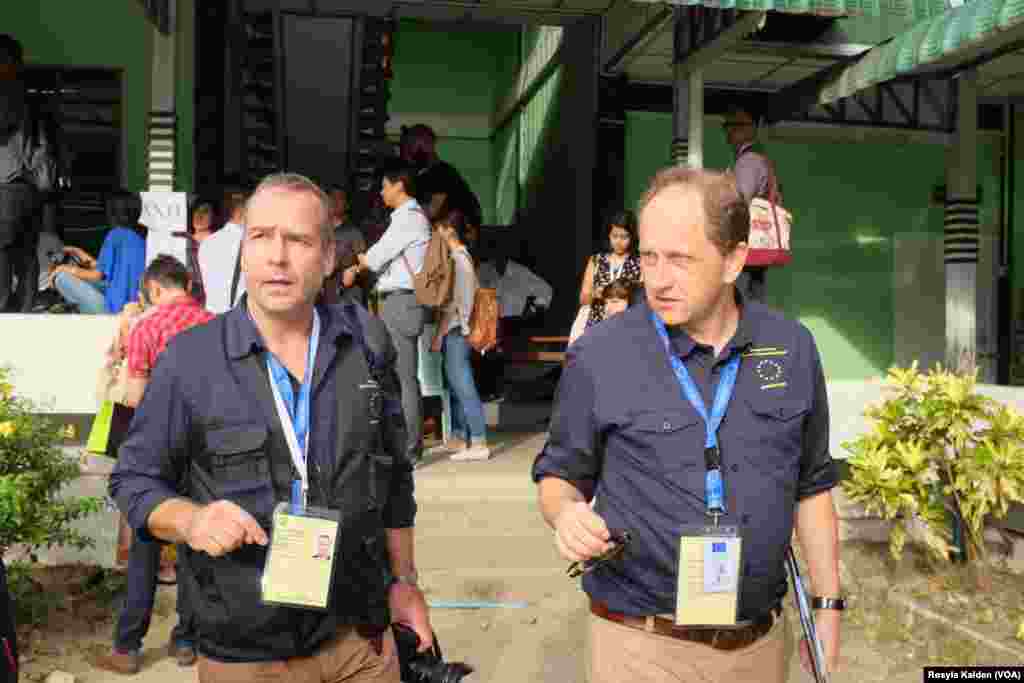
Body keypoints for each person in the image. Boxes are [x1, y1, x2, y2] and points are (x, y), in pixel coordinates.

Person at [109, 173, 431, 682]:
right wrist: (191, 521)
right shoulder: (190, 362)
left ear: (327, 257)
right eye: (261, 237)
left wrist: (405, 582)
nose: (277, 257)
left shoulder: (366, 346)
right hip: (248, 653)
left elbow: (394, 482)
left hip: (360, 641)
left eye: (298, 240)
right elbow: (133, 481)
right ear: (243, 252)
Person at [532, 167, 842, 683]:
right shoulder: (601, 354)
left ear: (734, 260)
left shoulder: (790, 348)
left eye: (679, 259)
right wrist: (565, 513)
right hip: (641, 644)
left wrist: (827, 607)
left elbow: (812, 488)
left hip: (759, 647)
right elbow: (558, 474)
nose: (657, 278)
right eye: (649, 256)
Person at [96, 255, 212, 675]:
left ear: (156, 290)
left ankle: (128, 647)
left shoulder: (147, 327)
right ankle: (187, 639)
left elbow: (137, 397)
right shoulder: (216, 325)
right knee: (195, 541)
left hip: (158, 449)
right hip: (205, 450)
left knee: (145, 543)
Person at [343, 164, 430, 466]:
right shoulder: (409, 218)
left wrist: (353, 265)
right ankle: (405, 444)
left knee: (403, 377)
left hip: (401, 303)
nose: (381, 192)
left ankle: (409, 449)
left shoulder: (409, 219)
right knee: (399, 375)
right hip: (398, 302)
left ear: (399, 186)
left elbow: (376, 256)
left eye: (384, 186)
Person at [0, 34, 57, 313]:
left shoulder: (8, 91)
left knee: (4, 251)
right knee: (25, 254)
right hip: (30, 186)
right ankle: (24, 311)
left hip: (8, 184)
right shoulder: (31, 96)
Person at [430, 208, 490, 462]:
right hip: (459, 329)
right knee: (457, 385)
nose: (436, 233)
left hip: (457, 330)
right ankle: (460, 437)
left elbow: (454, 305)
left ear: (449, 230)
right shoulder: (462, 258)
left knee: (463, 386)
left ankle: (478, 440)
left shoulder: (457, 260)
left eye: (439, 229)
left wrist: (439, 334)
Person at [51, 189, 146, 314]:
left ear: (112, 214)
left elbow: (97, 275)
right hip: (133, 308)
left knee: (61, 278)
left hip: (112, 310)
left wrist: (65, 269)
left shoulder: (115, 234)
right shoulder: (140, 239)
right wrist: (80, 253)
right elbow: (106, 269)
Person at [724, 105, 778, 303]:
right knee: (754, 299)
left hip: (745, 241)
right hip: (758, 239)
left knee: (740, 302)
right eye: (727, 126)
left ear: (751, 128)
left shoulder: (748, 161)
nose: (729, 131)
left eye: (735, 125)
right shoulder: (759, 157)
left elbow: (740, 201)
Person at [400, 124, 481, 229]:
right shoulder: (421, 176)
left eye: (411, 144)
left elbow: (432, 211)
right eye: (407, 146)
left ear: (427, 145)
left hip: (456, 235)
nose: (407, 152)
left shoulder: (442, 173)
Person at [578, 210, 642, 331]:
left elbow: (643, 299)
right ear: (608, 235)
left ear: (632, 237)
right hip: (598, 324)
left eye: (624, 237)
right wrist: (596, 293)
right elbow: (583, 299)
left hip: (627, 325)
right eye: (614, 236)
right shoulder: (596, 260)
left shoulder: (640, 262)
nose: (618, 241)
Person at [199, 185, 247, 314]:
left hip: (212, 317)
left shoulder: (207, 243)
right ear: (240, 212)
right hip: (239, 318)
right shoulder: (250, 243)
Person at [322, 184, 368, 305]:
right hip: (324, 298)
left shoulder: (353, 232)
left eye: (340, 198)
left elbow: (365, 264)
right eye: (332, 198)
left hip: (348, 299)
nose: (335, 202)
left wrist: (355, 271)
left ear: (346, 204)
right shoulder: (318, 232)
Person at [569, 278, 633, 347]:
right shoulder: (599, 333)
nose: (607, 308)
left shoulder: (639, 333)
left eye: (614, 302)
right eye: (605, 303)